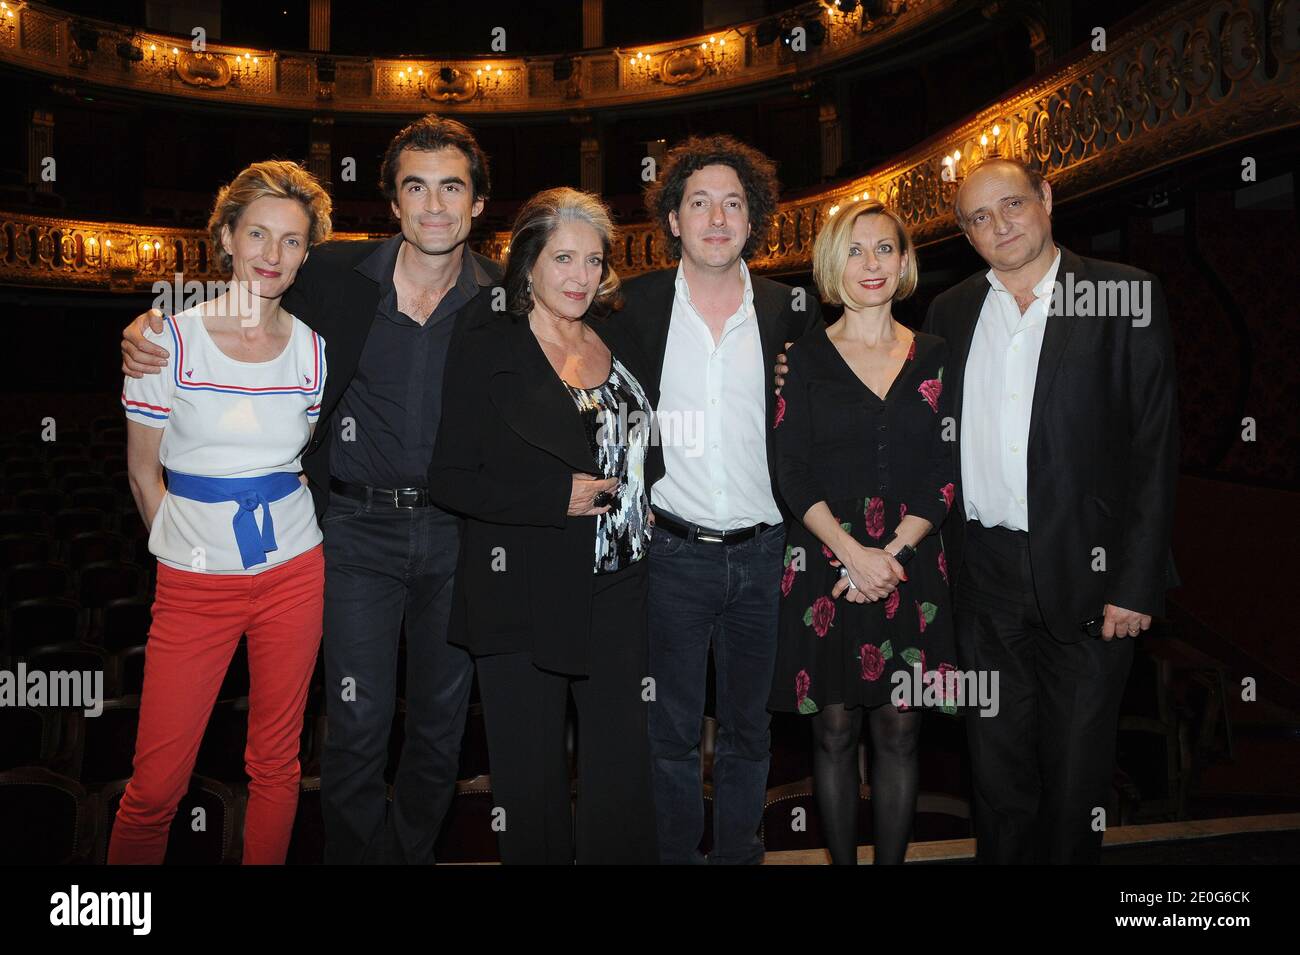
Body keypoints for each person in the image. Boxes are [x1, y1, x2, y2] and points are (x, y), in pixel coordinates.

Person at [120, 115, 500, 864]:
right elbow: (226, 315)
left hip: (451, 536)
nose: (433, 204)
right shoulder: (336, 279)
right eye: (414, 187)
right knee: (351, 727)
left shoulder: (504, 300)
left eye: (451, 187)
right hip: (352, 533)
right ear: (391, 202)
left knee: (436, 725)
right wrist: (145, 324)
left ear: (478, 203)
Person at [922, 157, 1179, 863]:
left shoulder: (1125, 295)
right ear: (967, 236)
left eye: (1010, 204)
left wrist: (1136, 581)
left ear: (1046, 197)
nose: (998, 225)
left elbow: (1154, 450)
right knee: (998, 777)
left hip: (1091, 577)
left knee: (1075, 778)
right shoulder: (952, 311)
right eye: (978, 217)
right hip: (982, 578)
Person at [427, 187, 659, 864]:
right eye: (563, 258)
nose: (580, 276)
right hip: (522, 587)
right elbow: (449, 477)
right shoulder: (487, 338)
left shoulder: (618, 331)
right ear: (528, 262)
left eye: (593, 259)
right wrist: (552, 494)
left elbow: (648, 439)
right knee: (530, 778)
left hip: (619, 586)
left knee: (620, 770)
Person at [111, 160, 332, 864]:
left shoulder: (314, 353)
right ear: (228, 238)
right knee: (156, 783)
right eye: (259, 234)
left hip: (296, 569)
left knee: (277, 764)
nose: (273, 254)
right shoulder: (164, 342)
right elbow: (144, 473)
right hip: (194, 583)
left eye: (292, 241)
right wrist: (186, 553)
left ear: (305, 253)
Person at [616, 135, 823, 864]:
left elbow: (813, 427)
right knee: (669, 731)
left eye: (733, 203)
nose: (716, 216)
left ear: (752, 218)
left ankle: (739, 854)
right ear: (672, 218)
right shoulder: (630, 306)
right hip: (670, 551)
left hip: (767, 554)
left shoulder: (788, 309)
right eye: (698, 201)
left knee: (748, 730)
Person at [770, 199, 958, 865]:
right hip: (824, 560)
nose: (870, 263)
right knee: (834, 727)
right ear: (831, 264)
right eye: (854, 249)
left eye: (884, 248)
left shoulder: (936, 355)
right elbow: (788, 469)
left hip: (912, 562)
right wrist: (851, 553)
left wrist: (889, 555)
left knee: (901, 729)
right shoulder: (803, 357)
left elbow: (946, 469)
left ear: (905, 261)